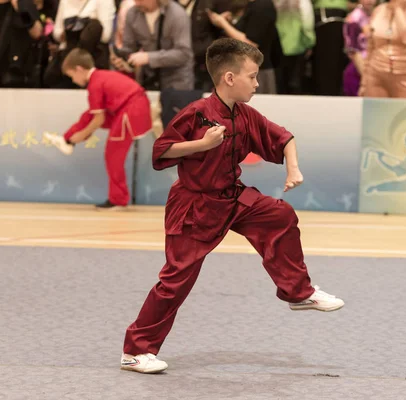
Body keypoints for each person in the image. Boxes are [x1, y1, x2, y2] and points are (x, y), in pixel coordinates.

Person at [120, 38, 345, 374]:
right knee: (175, 281)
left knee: (278, 214)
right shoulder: (196, 113)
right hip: (195, 206)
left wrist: (293, 167)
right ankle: (135, 352)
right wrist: (202, 142)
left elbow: (284, 138)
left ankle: (298, 293)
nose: (257, 83)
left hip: (233, 196)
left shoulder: (245, 114)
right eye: (252, 77)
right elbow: (161, 153)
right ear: (229, 78)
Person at [45, 48, 152, 210]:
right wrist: (79, 135)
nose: (73, 80)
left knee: (113, 154)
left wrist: (82, 135)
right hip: (129, 108)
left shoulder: (95, 84)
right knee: (89, 115)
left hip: (131, 111)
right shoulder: (99, 77)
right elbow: (95, 116)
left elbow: (99, 120)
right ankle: (66, 140)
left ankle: (118, 200)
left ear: (79, 69)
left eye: (72, 76)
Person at [359, 0, 406, 98]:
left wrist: (398, 9)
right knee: (375, 112)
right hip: (376, 73)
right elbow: (371, 47)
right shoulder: (379, 10)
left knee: (405, 113)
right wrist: (364, 82)